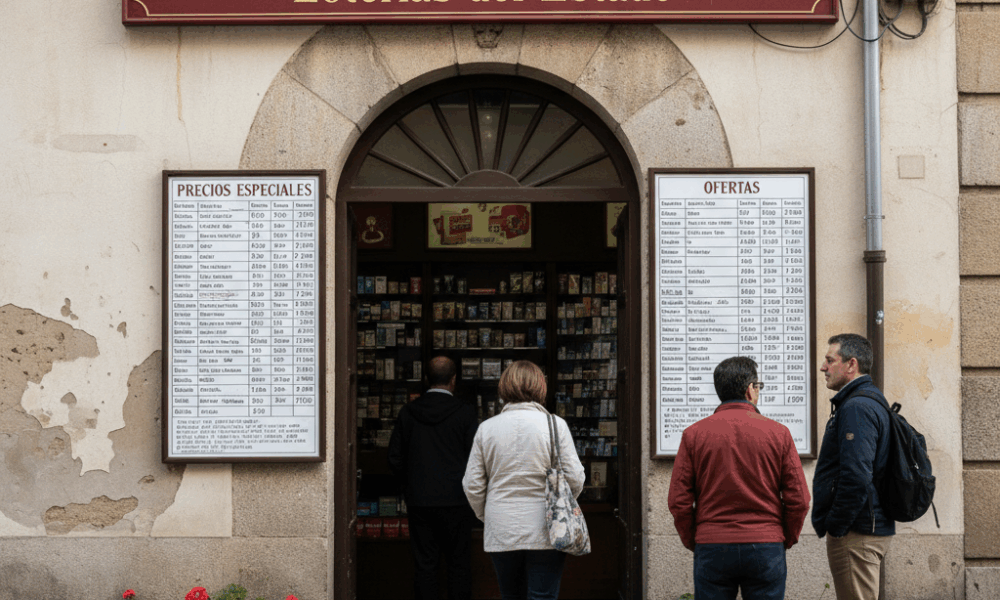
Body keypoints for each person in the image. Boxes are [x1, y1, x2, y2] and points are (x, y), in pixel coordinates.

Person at [668, 356, 810, 600]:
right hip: (766, 544)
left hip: (712, 544)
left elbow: (678, 501)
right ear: (750, 390)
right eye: (759, 386)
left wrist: (695, 539)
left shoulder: (693, 435)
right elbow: (800, 499)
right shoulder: (779, 433)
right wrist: (784, 536)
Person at [462, 361, 585, 600]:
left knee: (510, 595)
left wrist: (488, 514)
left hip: (501, 526)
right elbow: (575, 477)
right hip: (547, 527)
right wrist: (561, 506)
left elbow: (472, 485)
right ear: (540, 387)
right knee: (542, 596)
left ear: (504, 387)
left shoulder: (486, 429)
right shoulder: (555, 425)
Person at [388, 356, 479, 600]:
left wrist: (410, 484)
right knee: (459, 564)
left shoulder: (408, 412)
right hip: (457, 501)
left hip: (420, 501)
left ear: (426, 379)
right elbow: (476, 460)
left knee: (425, 565)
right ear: (454, 380)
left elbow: (394, 458)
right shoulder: (465, 413)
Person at [812, 334, 894, 600]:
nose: (823, 367)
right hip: (865, 527)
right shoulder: (869, 400)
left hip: (857, 533)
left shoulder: (856, 407)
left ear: (851, 365)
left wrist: (837, 526)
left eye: (830, 360)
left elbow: (857, 475)